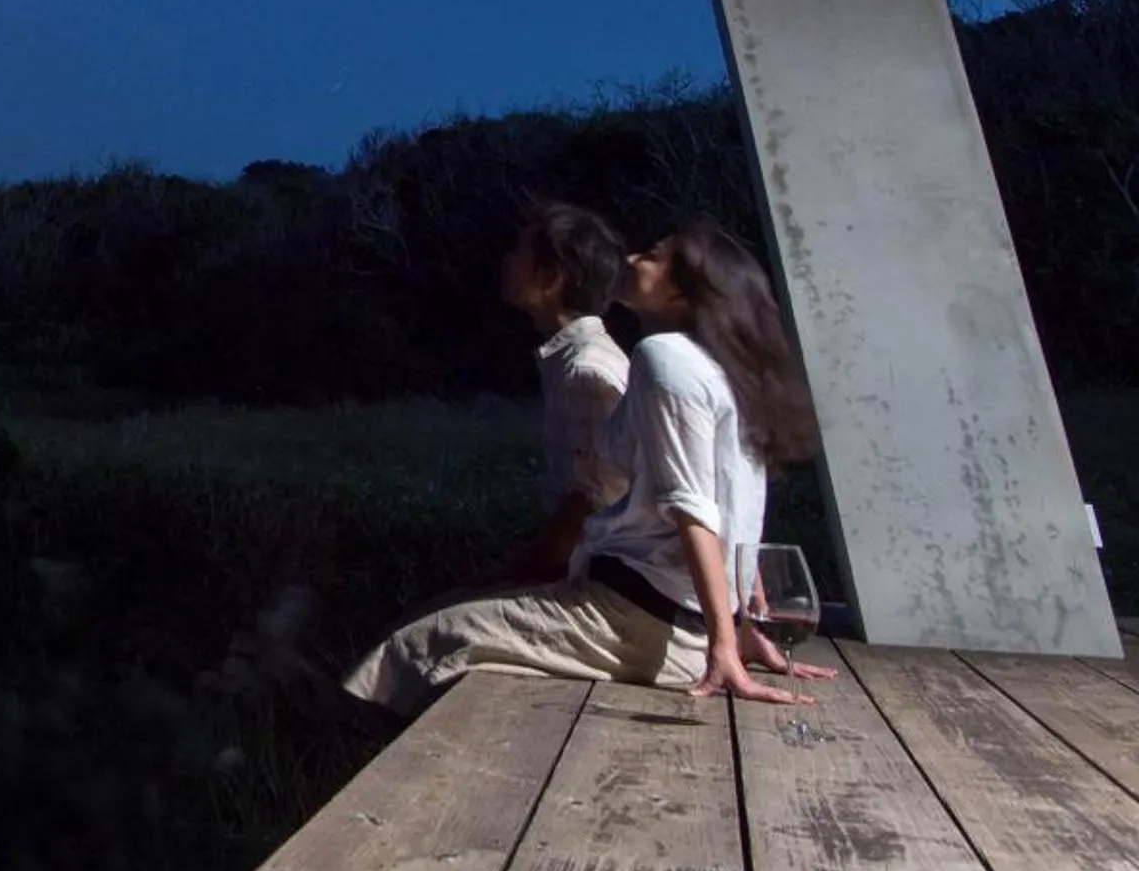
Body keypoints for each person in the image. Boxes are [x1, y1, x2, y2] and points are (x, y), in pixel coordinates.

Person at [343, 220, 832, 715]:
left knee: (408, 648)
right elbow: (739, 503)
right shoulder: (722, 370)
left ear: (685, 290)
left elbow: (695, 507)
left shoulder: (662, 356)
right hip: (664, 615)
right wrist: (745, 623)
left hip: (633, 617)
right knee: (436, 632)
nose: (635, 258)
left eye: (655, 255)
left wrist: (725, 647)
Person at [494, 200, 630, 584]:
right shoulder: (575, 359)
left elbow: (590, 507)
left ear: (551, 279)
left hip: (600, 582)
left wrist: (511, 577)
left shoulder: (585, 372)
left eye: (518, 253)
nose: (506, 261)